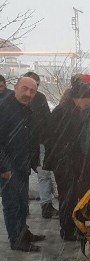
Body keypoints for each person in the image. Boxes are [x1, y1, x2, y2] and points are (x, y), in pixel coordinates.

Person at [0, 76, 45, 252]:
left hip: (22, 164)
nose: (28, 93)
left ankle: (23, 232)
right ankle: (17, 240)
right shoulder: (4, 108)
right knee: (12, 204)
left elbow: (29, 137)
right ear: (16, 87)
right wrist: (4, 167)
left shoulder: (26, 108)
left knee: (22, 203)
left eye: (32, 91)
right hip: (9, 167)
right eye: (25, 89)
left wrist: (33, 161)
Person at [44, 82, 90, 240]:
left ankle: (69, 228)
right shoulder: (66, 112)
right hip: (64, 162)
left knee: (69, 196)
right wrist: (68, 160)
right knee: (67, 196)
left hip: (66, 161)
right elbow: (59, 139)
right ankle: (67, 230)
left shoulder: (70, 110)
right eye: (88, 99)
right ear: (79, 98)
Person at [24, 71, 59, 219]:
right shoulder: (37, 99)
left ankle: (43, 205)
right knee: (39, 175)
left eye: (35, 86)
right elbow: (47, 120)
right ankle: (42, 205)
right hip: (32, 143)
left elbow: (47, 121)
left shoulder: (32, 99)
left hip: (35, 143)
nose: (32, 89)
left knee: (41, 174)